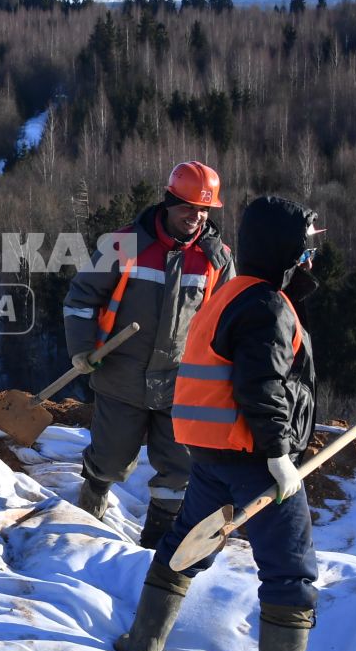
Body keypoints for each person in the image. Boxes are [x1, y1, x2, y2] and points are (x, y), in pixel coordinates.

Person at [112, 194, 332, 651]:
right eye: (303, 251)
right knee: (291, 566)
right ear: (284, 252)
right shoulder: (268, 306)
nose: (310, 261)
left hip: (210, 454)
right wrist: (279, 456)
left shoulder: (232, 292)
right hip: (254, 455)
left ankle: (142, 643)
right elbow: (261, 386)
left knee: (187, 545)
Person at [62, 161, 232, 546]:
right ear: (169, 202)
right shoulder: (124, 245)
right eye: (189, 206)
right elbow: (80, 299)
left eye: (204, 210)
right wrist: (81, 349)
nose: (196, 216)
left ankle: (156, 542)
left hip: (184, 386)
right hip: (122, 377)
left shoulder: (218, 259)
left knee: (178, 469)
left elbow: (231, 321)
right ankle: (91, 499)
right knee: (110, 459)